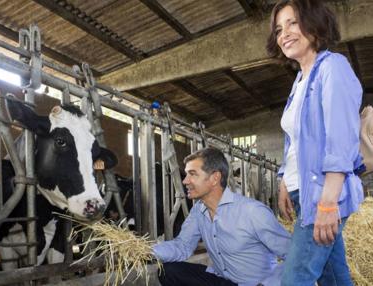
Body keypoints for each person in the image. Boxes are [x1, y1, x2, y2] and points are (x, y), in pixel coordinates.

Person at [266, 0, 364, 285]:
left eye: (293, 23)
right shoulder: (299, 81)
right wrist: (285, 180)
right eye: (279, 29)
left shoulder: (333, 68)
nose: (284, 33)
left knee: (294, 279)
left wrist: (327, 205)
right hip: (302, 193)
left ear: (315, 24)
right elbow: (295, 142)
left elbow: (340, 141)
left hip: (322, 194)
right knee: (333, 277)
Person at [152, 147, 291, 286]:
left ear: (215, 178)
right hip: (222, 280)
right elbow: (182, 246)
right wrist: (147, 252)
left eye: (192, 174)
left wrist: (268, 284)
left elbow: (295, 256)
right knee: (168, 271)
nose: (185, 181)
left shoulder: (252, 212)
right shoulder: (198, 211)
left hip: (253, 284)